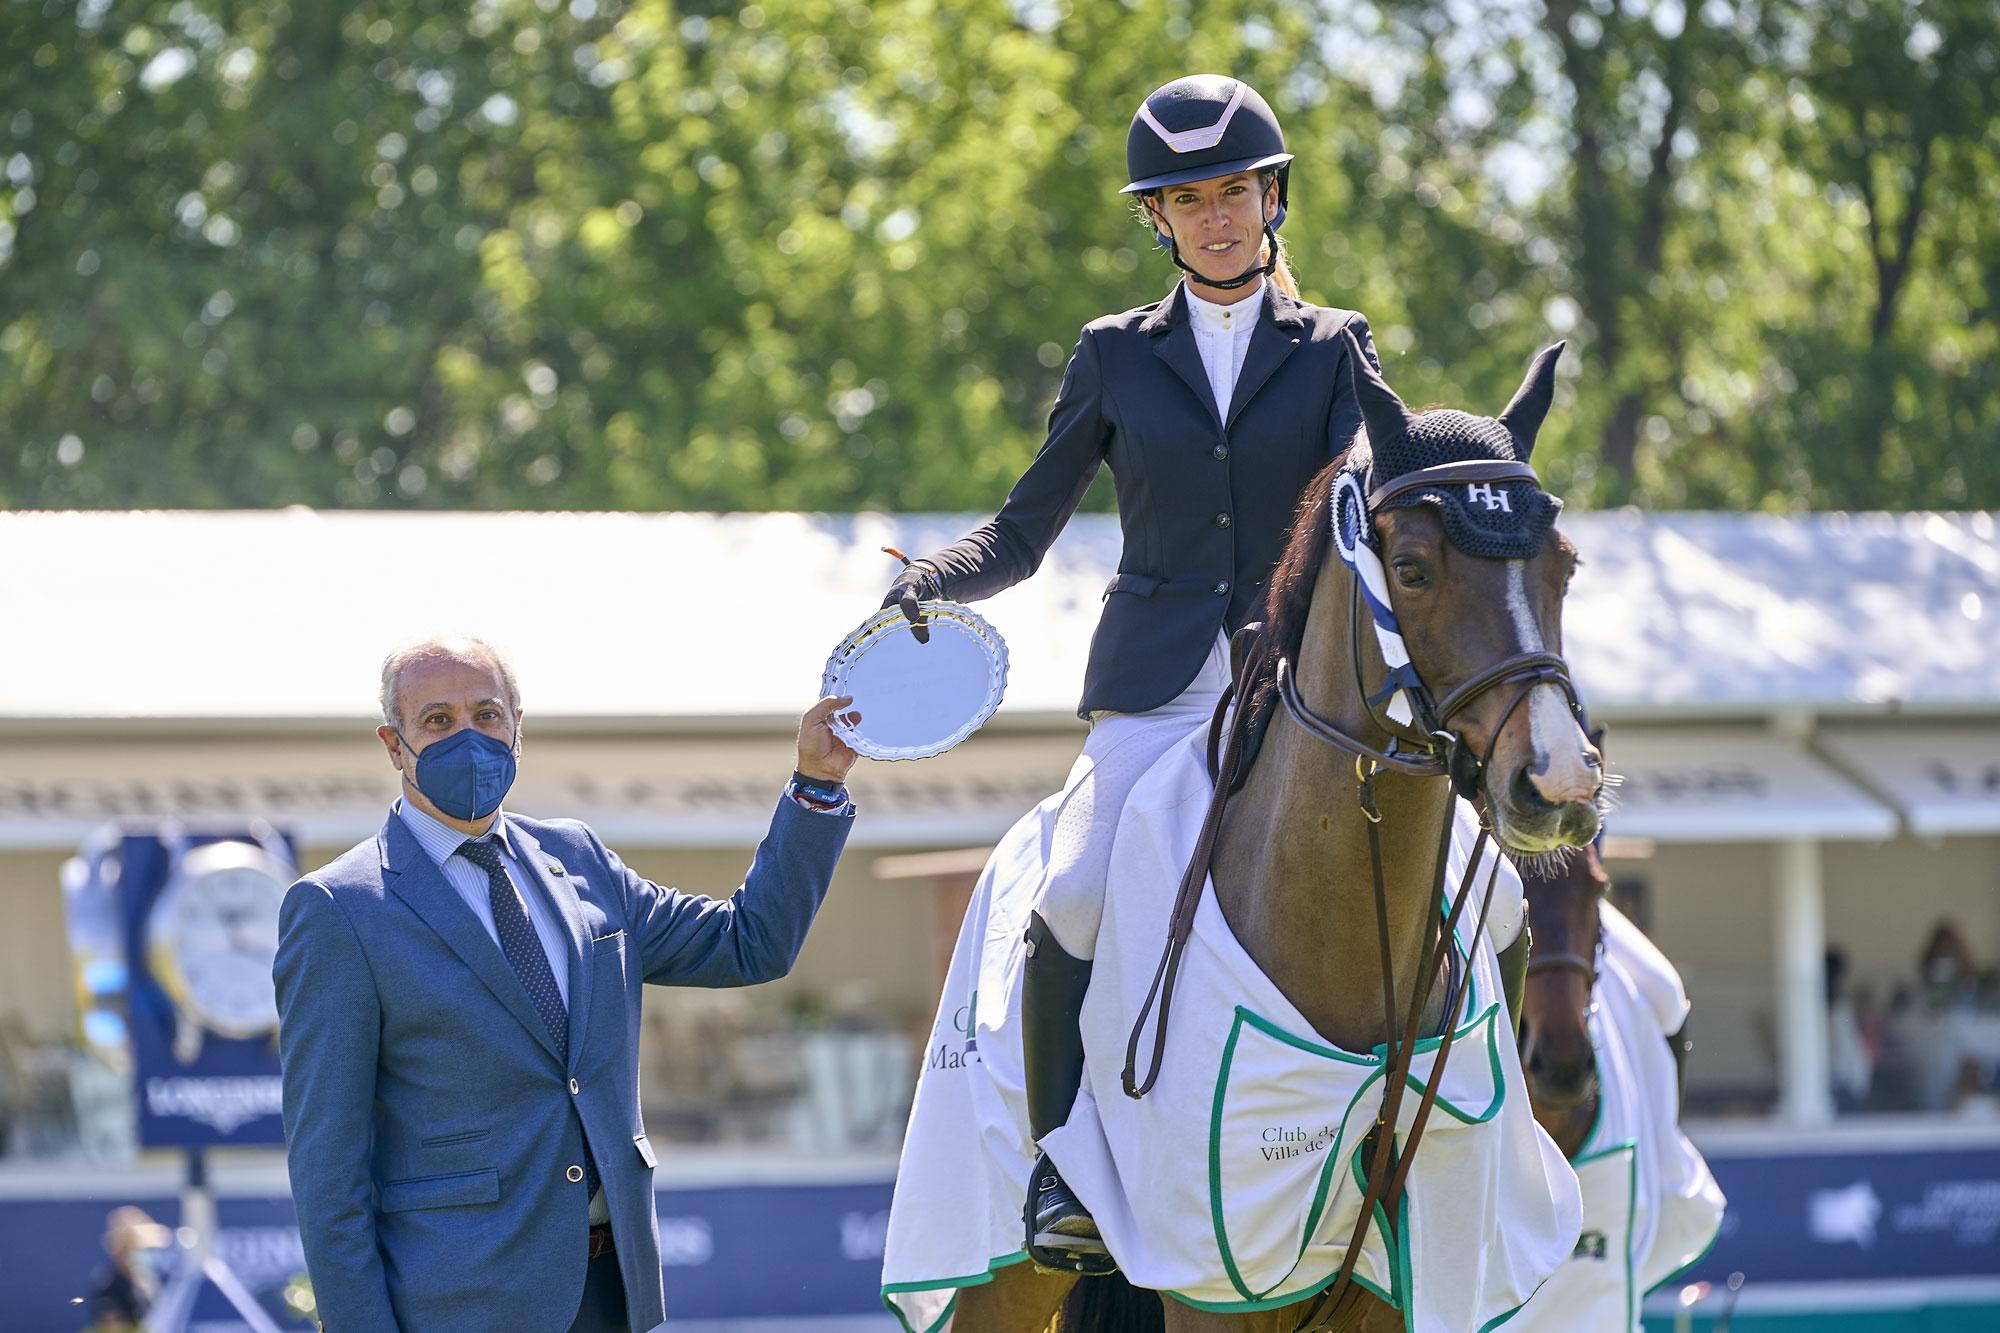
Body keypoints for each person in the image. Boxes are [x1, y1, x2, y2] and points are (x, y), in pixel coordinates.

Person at [879, 74, 1380, 1272]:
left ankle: (1442, 1140)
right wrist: (933, 580)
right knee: (1077, 889)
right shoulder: (1112, 354)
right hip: (1154, 689)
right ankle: (1063, 1161)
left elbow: (1366, 502)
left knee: (1471, 885)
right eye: (1186, 199)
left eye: (1234, 192)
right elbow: (1022, 527)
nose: (1215, 216)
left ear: (1271, 197)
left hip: (1294, 695)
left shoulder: (1333, 348)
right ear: (1157, 219)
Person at [274, 636, 858, 1332]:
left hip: (615, 1289)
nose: (468, 735)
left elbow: (748, 941)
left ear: (519, 724)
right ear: (393, 744)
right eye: (437, 720)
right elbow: (326, 1176)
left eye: (487, 713)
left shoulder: (576, 855)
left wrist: (816, 784)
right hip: (460, 1306)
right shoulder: (339, 908)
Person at [86, 1206, 170, 1332]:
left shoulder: (148, 1281)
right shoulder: (108, 1285)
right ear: (122, 1250)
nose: (147, 1254)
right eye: (140, 1249)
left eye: (149, 1250)